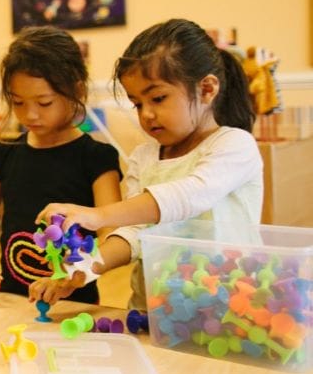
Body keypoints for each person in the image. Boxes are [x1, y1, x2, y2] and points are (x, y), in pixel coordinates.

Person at [35, 18, 263, 309]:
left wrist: (100, 215)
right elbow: (136, 231)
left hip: (226, 308)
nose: (147, 114)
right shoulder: (144, 157)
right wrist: (86, 268)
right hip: (158, 311)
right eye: (137, 103)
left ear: (206, 89)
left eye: (158, 98)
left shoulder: (234, 145)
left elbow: (189, 196)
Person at [0, 25, 122, 304]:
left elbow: (110, 235)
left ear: (77, 91)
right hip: (11, 299)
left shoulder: (97, 157)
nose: (30, 114)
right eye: (18, 102)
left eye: (44, 102)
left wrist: (75, 272)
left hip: (74, 304)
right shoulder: (6, 153)